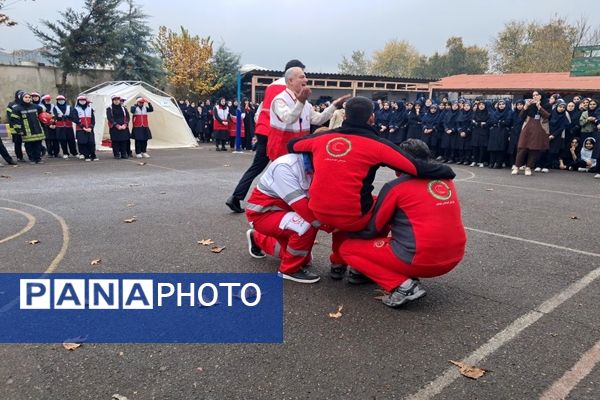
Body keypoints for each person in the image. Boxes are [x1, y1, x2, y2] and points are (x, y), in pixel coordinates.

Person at [287, 96, 455, 279]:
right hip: (353, 216)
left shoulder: (322, 138)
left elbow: (292, 145)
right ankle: (358, 267)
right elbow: (415, 167)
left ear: (344, 117)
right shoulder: (378, 145)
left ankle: (338, 264)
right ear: (372, 118)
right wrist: (447, 171)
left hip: (317, 211)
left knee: (344, 201)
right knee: (381, 207)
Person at [338, 139, 466, 308]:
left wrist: (347, 229)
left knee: (348, 249)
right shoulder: (446, 182)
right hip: (453, 256)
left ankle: (403, 286)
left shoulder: (396, 187)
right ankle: (385, 274)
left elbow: (373, 228)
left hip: (420, 259)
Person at [226, 59, 306, 213]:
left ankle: (236, 197)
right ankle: (281, 203)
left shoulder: (271, 86)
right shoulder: (289, 89)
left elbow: (262, 109)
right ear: (293, 73)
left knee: (257, 167)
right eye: (301, 74)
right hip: (277, 134)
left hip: (263, 130)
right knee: (286, 168)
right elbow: (290, 115)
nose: (304, 78)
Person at [244, 153, 332, 283]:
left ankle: (257, 238)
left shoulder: (315, 164)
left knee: (305, 259)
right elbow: (303, 208)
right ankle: (289, 270)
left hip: (285, 211)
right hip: (264, 212)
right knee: (305, 226)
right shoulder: (285, 166)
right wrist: (330, 226)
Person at [267, 66, 349, 162]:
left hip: (300, 149)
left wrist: (334, 105)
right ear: (290, 81)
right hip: (282, 151)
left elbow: (319, 119)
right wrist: (301, 102)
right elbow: (288, 118)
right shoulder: (280, 100)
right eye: (302, 77)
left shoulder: (305, 103)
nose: (306, 80)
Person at [512, 91, 551, 176]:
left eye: (537, 95)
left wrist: (539, 106)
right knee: (522, 147)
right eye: (533, 95)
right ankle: (517, 166)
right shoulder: (530, 105)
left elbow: (548, 116)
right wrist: (526, 106)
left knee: (534, 149)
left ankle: (528, 167)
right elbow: (521, 116)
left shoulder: (547, 105)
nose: (535, 96)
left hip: (539, 128)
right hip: (528, 127)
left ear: (541, 96)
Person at [9, 91, 46, 164]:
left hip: (37, 130)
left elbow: (42, 116)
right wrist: (19, 130)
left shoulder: (36, 107)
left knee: (38, 145)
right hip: (26, 131)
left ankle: (38, 158)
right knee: (29, 146)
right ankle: (32, 159)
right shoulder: (17, 109)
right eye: (26, 97)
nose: (28, 99)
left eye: (29, 97)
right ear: (22, 98)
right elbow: (15, 121)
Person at [53, 95, 78, 159]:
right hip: (60, 127)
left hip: (68, 126)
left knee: (71, 140)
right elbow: (54, 116)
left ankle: (74, 152)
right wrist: (59, 118)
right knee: (63, 140)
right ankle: (65, 153)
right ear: (57, 101)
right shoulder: (55, 107)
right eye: (59, 100)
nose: (61, 101)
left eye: (62, 100)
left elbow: (72, 115)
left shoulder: (69, 107)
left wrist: (68, 117)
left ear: (64, 100)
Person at [106, 94, 130, 159]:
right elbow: (110, 118)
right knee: (115, 141)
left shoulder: (123, 108)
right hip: (114, 127)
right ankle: (116, 154)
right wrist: (117, 125)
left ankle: (123, 154)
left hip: (123, 127)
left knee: (124, 141)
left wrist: (125, 124)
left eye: (118, 100)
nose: (116, 101)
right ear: (112, 101)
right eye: (115, 100)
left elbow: (128, 117)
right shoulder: (109, 108)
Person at [73, 95, 97, 161]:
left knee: (91, 142)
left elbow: (93, 120)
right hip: (80, 129)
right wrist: (83, 127)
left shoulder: (90, 109)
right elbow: (75, 119)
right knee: (83, 142)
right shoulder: (76, 109)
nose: (82, 101)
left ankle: (93, 155)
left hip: (89, 129)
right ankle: (86, 155)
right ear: (78, 101)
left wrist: (91, 127)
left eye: (84, 100)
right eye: (81, 100)